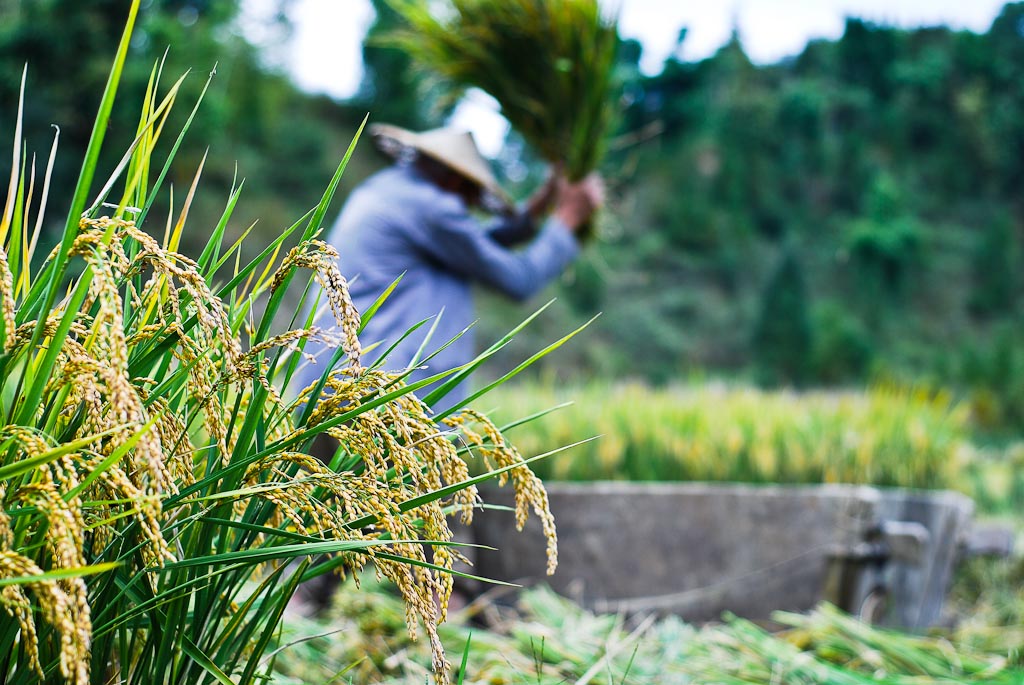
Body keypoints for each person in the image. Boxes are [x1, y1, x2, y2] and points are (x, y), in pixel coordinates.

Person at [295, 123, 603, 406]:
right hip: (380, 397)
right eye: (470, 196)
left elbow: (469, 245)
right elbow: (519, 280)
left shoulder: (384, 189)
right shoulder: (433, 208)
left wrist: (534, 212)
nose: (468, 207)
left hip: (323, 384)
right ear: (455, 179)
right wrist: (568, 218)